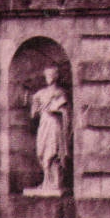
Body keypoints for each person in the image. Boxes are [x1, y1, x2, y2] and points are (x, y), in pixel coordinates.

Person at [29, 65, 70, 194]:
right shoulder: (40, 94)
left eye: (51, 74)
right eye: (47, 75)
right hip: (44, 124)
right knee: (41, 152)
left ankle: (55, 182)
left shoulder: (60, 93)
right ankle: (46, 181)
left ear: (56, 76)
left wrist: (55, 109)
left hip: (54, 124)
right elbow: (33, 114)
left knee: (53, 152)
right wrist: (34, 107)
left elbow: (65, 112)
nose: (49, 77)